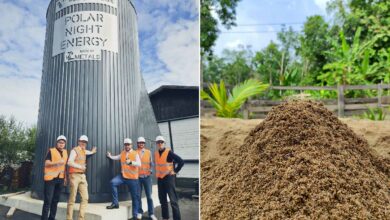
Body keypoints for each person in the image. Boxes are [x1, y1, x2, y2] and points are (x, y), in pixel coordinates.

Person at [106, 138, 141, 220]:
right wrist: (110, 156)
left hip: (132, 179)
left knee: (134, 197)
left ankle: (135, 216)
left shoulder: (135, 153)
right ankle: (115, 203)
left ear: (131, 145)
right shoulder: (123, 153)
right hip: (123, 176)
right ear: (124, 145)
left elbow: (139, 164)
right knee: (113, 183)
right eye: (126, 144)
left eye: (128, 144)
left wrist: (131, 162)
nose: (127, 146)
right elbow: (117, 157)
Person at [66, 135, 97, 220]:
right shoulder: (74, 150)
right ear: (79, 141)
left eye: (85, 142)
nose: (83, 143)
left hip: (82, 176)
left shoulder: (84, 151)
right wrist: (80, 167)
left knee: (85, 198)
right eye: (82, 141)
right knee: (72, 198)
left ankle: (81, 218)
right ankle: (69, 218)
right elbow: (69, 162)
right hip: (74, 175)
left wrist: (92, 152)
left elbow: (88, 152)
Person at [155, 135, 184, 220]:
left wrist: (175, 171)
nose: (160, 143)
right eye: (158, 142)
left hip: (168, 179)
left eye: (161, 142)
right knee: (162, 200)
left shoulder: (169, 152)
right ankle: (165, 217)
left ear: (164, 143)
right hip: (160, 179)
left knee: (173, 201)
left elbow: (181, 161)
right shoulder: (156, 153)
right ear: (156, 144)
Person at [41, 135, 68, 220]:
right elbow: (46, 163)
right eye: (60, 142)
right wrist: (56, 163)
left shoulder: (65, 152)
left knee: (55, 201)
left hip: (60, 179)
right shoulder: (51, 151)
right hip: (50, 179)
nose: (61, 144)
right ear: (57, 143)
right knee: (48, 201)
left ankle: (51, 218)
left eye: (63, 143)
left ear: (65, 144)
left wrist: (65, 178)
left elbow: (64, 166)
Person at [136, 137, 157, 220]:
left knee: (149, 196)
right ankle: (139, 212)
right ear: (137, 143)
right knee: (138, 196)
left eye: (142, 143)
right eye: (139, 142)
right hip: (137, 178)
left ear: (144, 144)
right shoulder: (135, 152)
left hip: (147, 177)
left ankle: (151, 214)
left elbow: (151, 163)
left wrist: (151, 170)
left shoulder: (148, 152)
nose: (141, 144)